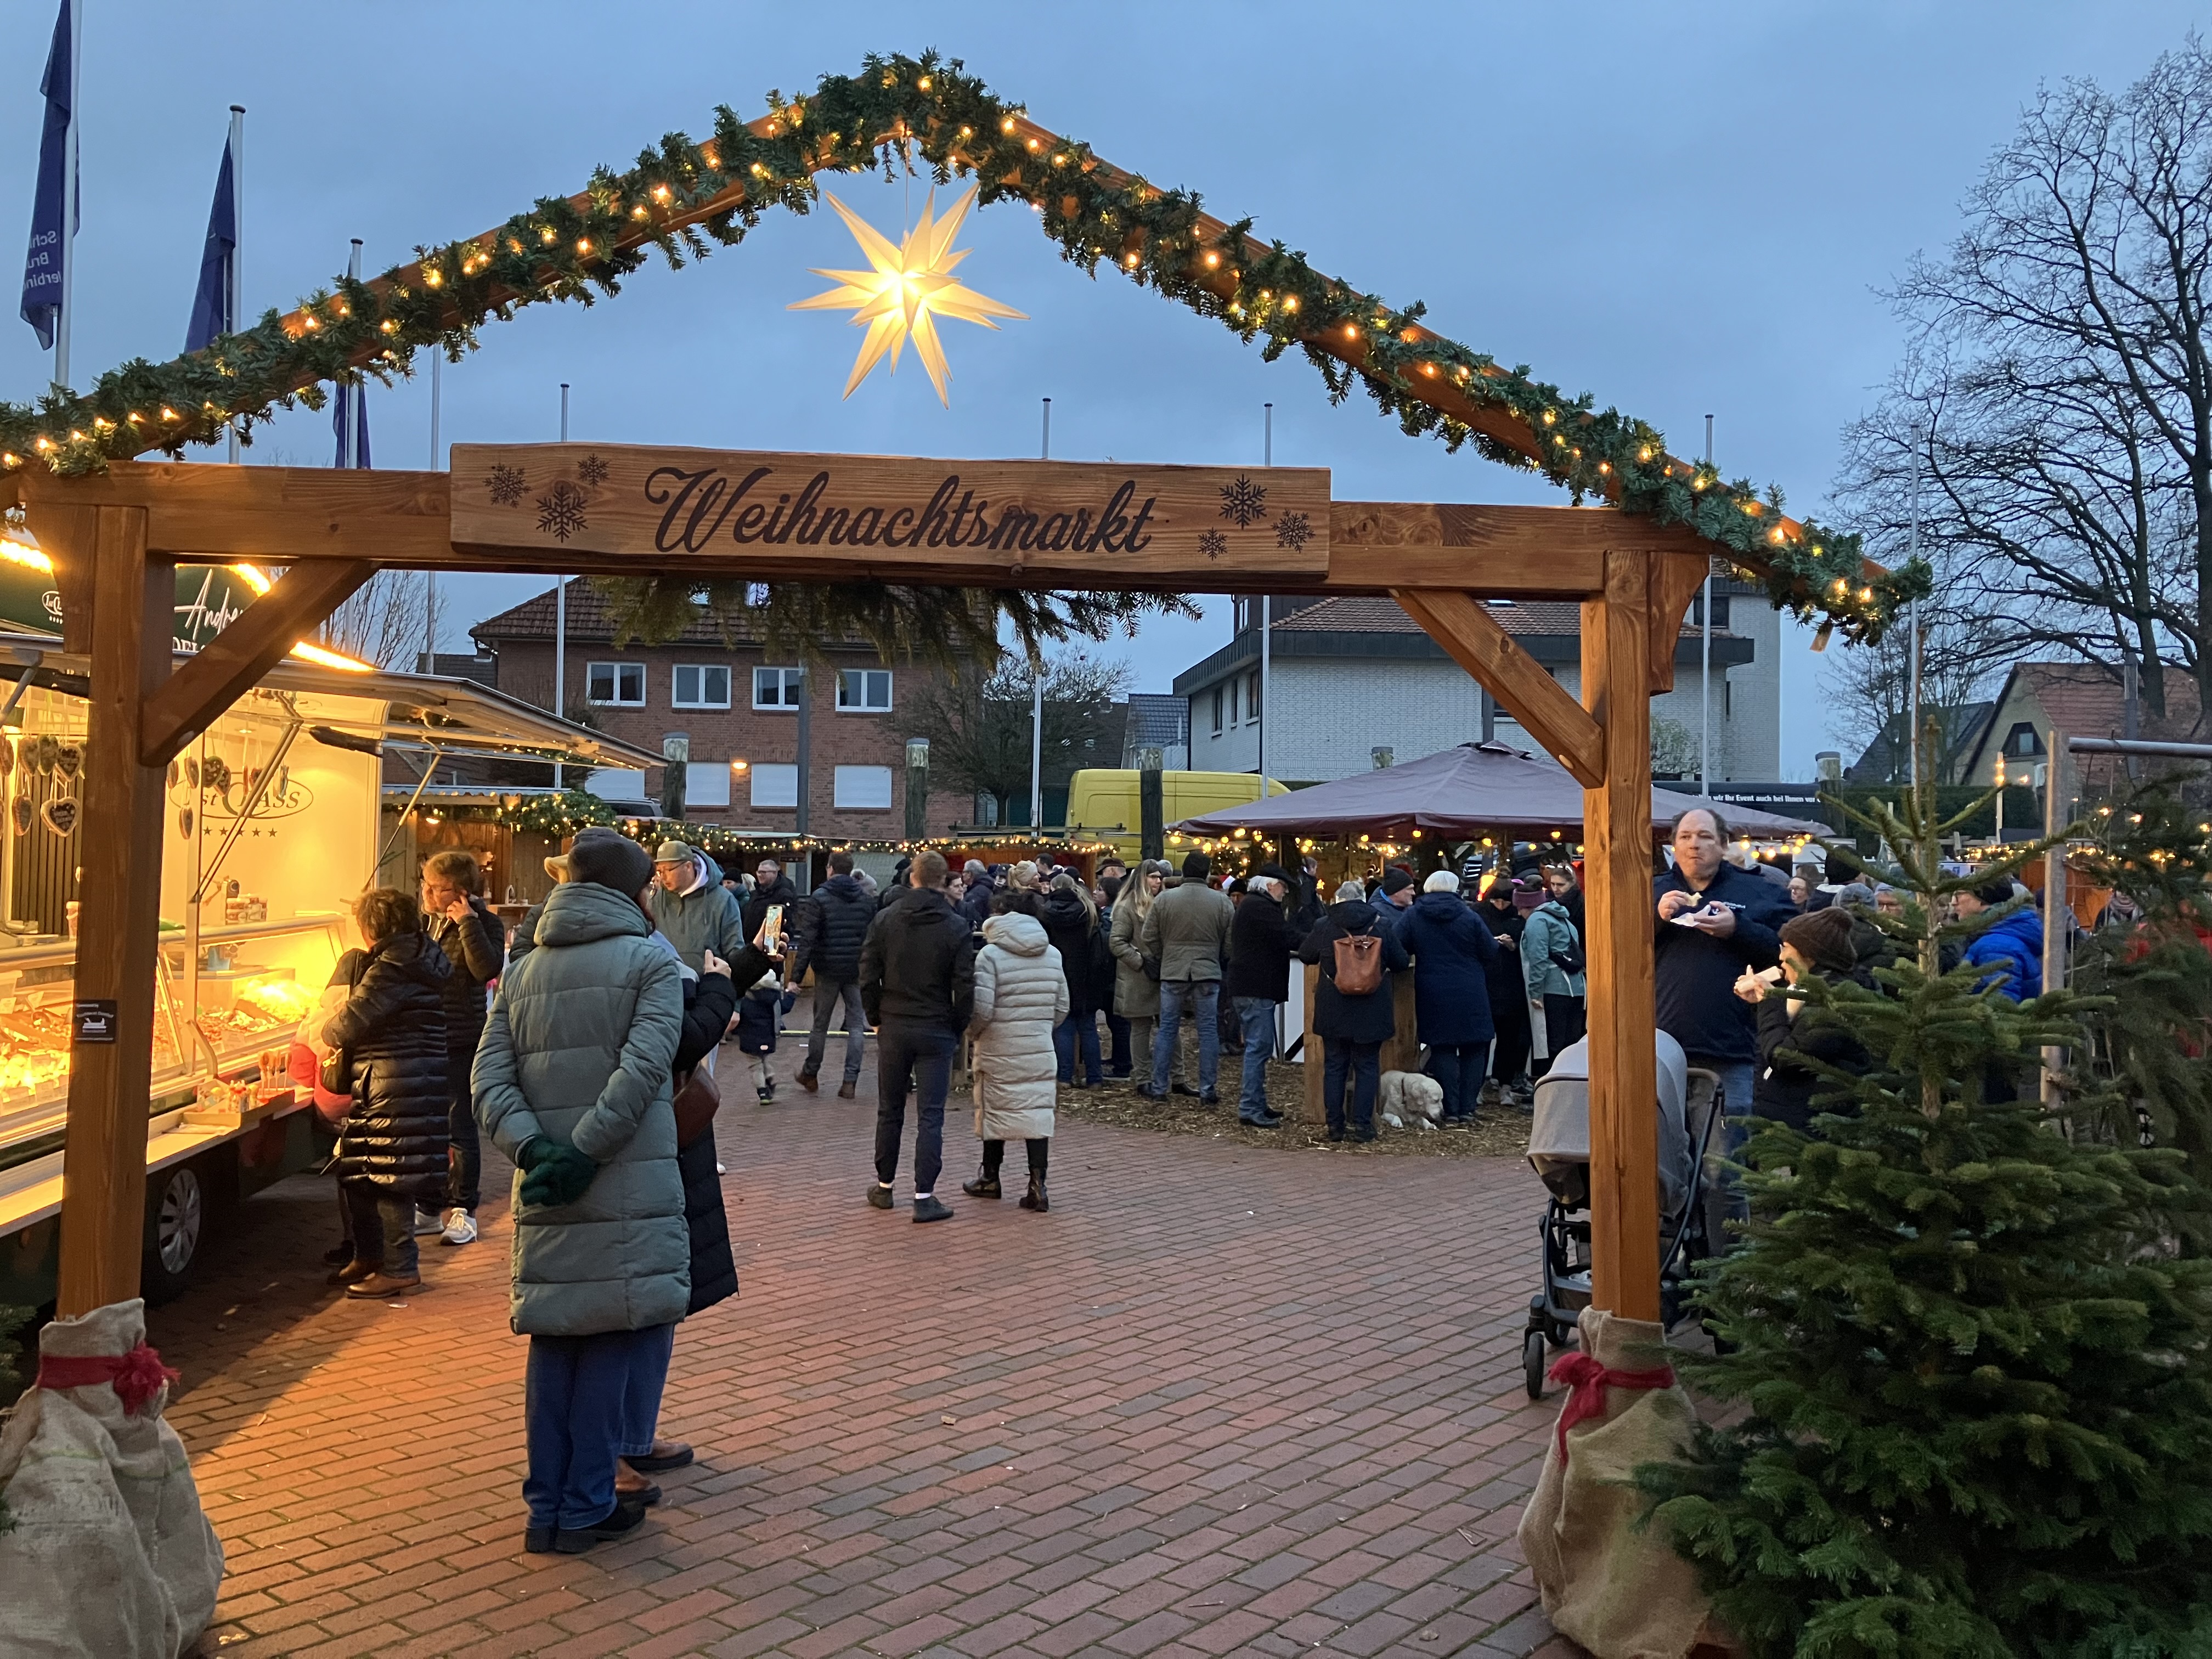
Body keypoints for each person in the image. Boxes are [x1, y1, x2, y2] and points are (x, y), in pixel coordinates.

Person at [473, 826, 686, 1555]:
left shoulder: (523, 965)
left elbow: (489, 1079)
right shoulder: (651, 961)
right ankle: (589, 1502)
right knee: (611, 1335)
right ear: (634, 890)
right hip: (624, 1176)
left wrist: (536, 1149)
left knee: (557, 1337)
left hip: (546, 1179)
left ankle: (549, 1507)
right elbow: (645, 1068)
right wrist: (587, 1151)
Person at [618, 936, 749, 1508]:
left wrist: (725, 979)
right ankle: (608, 1454)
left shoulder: (645, 947)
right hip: (629, 1150)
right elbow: (679, 1039)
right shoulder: (619, 955)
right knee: (620, 1311)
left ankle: (631, 1437)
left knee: (659, 1302)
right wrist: (720, 987)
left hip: (656, 1147)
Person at [323, 887, 453, 1298]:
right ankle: (370, 1256)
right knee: (360, 1172)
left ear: (372, 927)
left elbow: (345, 1025)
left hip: (395, 1082)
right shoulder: (421, 955)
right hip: (407, 1078)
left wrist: (326, 1027)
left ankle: (400, 1268)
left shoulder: (392, 967)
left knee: (390, 1174)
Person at [1654, 806, 1790, 1130]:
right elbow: (1606, 947)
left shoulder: (1760, 892)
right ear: (1674, 845)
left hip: (1729, 1051)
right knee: (1658, 1166)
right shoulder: (1648, 891)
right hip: (1656, 1049)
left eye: (1704, 836)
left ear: (1724, 844)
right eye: (1685, 837)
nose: (1694, 844)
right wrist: (1654, 920)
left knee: (1722, 1168)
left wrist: (1737, 929)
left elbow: (1791, 956)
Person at [859, 852, 977, 1222]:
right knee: (931, 1115)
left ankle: (884, 1185)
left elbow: (867, 976)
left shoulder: (885, 920)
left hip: (894, 1024)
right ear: (944, 882)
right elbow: (965, 986)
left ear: (912, 877)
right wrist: (956, 1025)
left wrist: (876, 1017)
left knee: (889, 1109)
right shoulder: (956, 926)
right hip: (936, 1026)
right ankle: (924, 1195)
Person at [420, 849, 506, 1247]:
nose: (429, 894)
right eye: (427, 885)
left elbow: (484, 969)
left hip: (460, 1035)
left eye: (439, 889)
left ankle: (463, 1209)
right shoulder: (425, 923)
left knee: (459, 1125)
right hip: (424, 1035)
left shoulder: (485, 923)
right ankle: (429, 1203)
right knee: (427, 1125)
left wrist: (468, 923)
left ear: (463, 892)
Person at [959, 908, 1068, 1212]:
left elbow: (982, 1009)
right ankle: (1038, 1185)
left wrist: (973, 1034)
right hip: (1039, 1045)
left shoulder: (990, 956)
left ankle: (990, 1177)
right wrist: (1041, 1027)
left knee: (996, 1108)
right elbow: (1062, 1006)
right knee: (1037, 1113)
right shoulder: (1053, 955)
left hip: (998, 1045)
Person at [1735, 905, 1871, 1135]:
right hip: (1790, 1118)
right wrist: (1762, 1002)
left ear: (1809, 956)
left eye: (1787, 948)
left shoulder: (1832, 1000)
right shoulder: (1802, 992)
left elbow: (1785, 1056)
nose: (1780, 957)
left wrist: (1770, 1000)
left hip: (1808, 1131)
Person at [1299, 879, 1409, 1141]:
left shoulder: (1324, 926)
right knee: (1368, 1066)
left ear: (1337, 899)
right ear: (1363, 899)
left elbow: (1306, 955)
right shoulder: (1381, 925)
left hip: (1333, 1007)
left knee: (1335, 1066)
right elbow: (1401, 963)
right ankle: (1363, 1126)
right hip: (1372, 1008)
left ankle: (1335, 1126)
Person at [1395, 870, 1499, 1126]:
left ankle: (1449, 1109)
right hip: (1469, 988)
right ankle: (1467, 1109)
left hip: (1433, 990)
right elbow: (1490, 950)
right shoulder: (1469, 915)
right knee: (1475, 1048)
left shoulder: (1413, 916)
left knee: (1442, 1050)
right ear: (1455, 888)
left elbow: (1396, 946)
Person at [1139, 851, 1233, 1105]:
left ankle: (1159, 1087)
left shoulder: (1165, 900)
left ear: (1184, 870)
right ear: (1207, 872)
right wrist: (1216, 957)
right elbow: (1229, 944)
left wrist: (1165, 956)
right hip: (1207, 971)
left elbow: (1149, 938)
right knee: (1208, 1032)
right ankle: (1208, 1089)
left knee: (1167, 1029)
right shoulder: (1222, 902)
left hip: (1173, 971)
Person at [787, 849, 874, 1099]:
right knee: (857, 1025)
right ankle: (850, 1080)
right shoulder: (866, 899)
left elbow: (808, 940)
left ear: (830, 868)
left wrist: (796, 975)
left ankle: (811, 1073)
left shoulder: (820, 898)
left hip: (827, 968)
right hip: (856, 968)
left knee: (820, 1024)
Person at [1224, 862, 1297, 1128]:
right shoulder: (1262, 908)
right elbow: (1287, 936)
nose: (1284, 892)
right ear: (1270, 885)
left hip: (1250, 986)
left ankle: (1256, 1103)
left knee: (1259, 1047)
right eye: (1283, 887)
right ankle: (1250, 1107)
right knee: (1259, 1047)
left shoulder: (1252, 906)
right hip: (1256, 987)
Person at [1039, 872, 1106, 1088]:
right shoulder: (1088, 911)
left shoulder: (1045, 912)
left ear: (1053, 888)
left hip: (1058, 971)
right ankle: (1095, 1077)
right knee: (1088, 1028)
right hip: (1086, 973)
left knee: (1064, 1027)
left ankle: (1064, 1077)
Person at [1109, 860, 1167, 1094]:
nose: (1158, 881)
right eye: (1153, 877)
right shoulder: (1127, 907)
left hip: (1162, 974)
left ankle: (1177, 1076)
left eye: (1160, 877)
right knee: (1141, 1029)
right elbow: (1116, 941)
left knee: (1169, 1027)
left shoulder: (1163, 903)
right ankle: (1143, 1078)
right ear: (1142, 878)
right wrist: (1140, 961)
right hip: (1139, 977)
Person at [1521, 878, 1587, 1079]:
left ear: (1528, 906)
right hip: (1578, 989)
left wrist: (1535, 992)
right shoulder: (1565, 921)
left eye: (1520, 908)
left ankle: (1550, 1086)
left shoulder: (1537, 921)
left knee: (1552, 1043)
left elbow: (1538, 959)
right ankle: (1570, 1084)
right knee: (1571, 1042)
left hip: (1554, 989)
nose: (1518, 913)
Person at [1476, 877, 1533, 1107]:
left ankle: (1506, 1086)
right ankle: (1478, 1085)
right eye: (1497, 901)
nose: (1501, 905)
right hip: (1487, 983)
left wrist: (1514, 946)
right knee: (1481, 1040)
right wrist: (1490, 943)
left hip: (1512, 984)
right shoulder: (1480, 914)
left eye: (1505, 902)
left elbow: (1529, 945)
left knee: (1509, 1040)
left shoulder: (1519, 917)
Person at [650, 840, 747, 970]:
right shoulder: (656, 899)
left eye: (668, 870)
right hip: (665, 983)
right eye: (660, 872)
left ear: (688, 867)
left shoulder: (723, 900)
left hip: (707, 985)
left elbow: (734, 950)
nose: (663, 877)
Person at [1955, 876, 2044, 1000]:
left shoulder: (1996, 947)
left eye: (1959, 895)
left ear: (1981, 899)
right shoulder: (2003, 933)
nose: (1954, 902)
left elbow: (2001, 1005)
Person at [743, 857, 799, 946]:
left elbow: (789, 923)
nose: (760, 875)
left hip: (771, 946)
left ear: (774, 873)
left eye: (764, 872)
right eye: (759, 872)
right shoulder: (756, 893)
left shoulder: (784, 894)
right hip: (751, 944)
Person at [1542, 862, 1585, 943]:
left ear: (1572, 883)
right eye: (1553, 884)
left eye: (1560, 885)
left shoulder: (1581, 904)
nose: (1555, 889)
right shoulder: (1546, 903)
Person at [959, 860, 995, 929]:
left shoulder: (976, 893)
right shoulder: (986, 886)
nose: (962, 875)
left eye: (964, 872)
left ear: (970, 874)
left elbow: (969, 916)